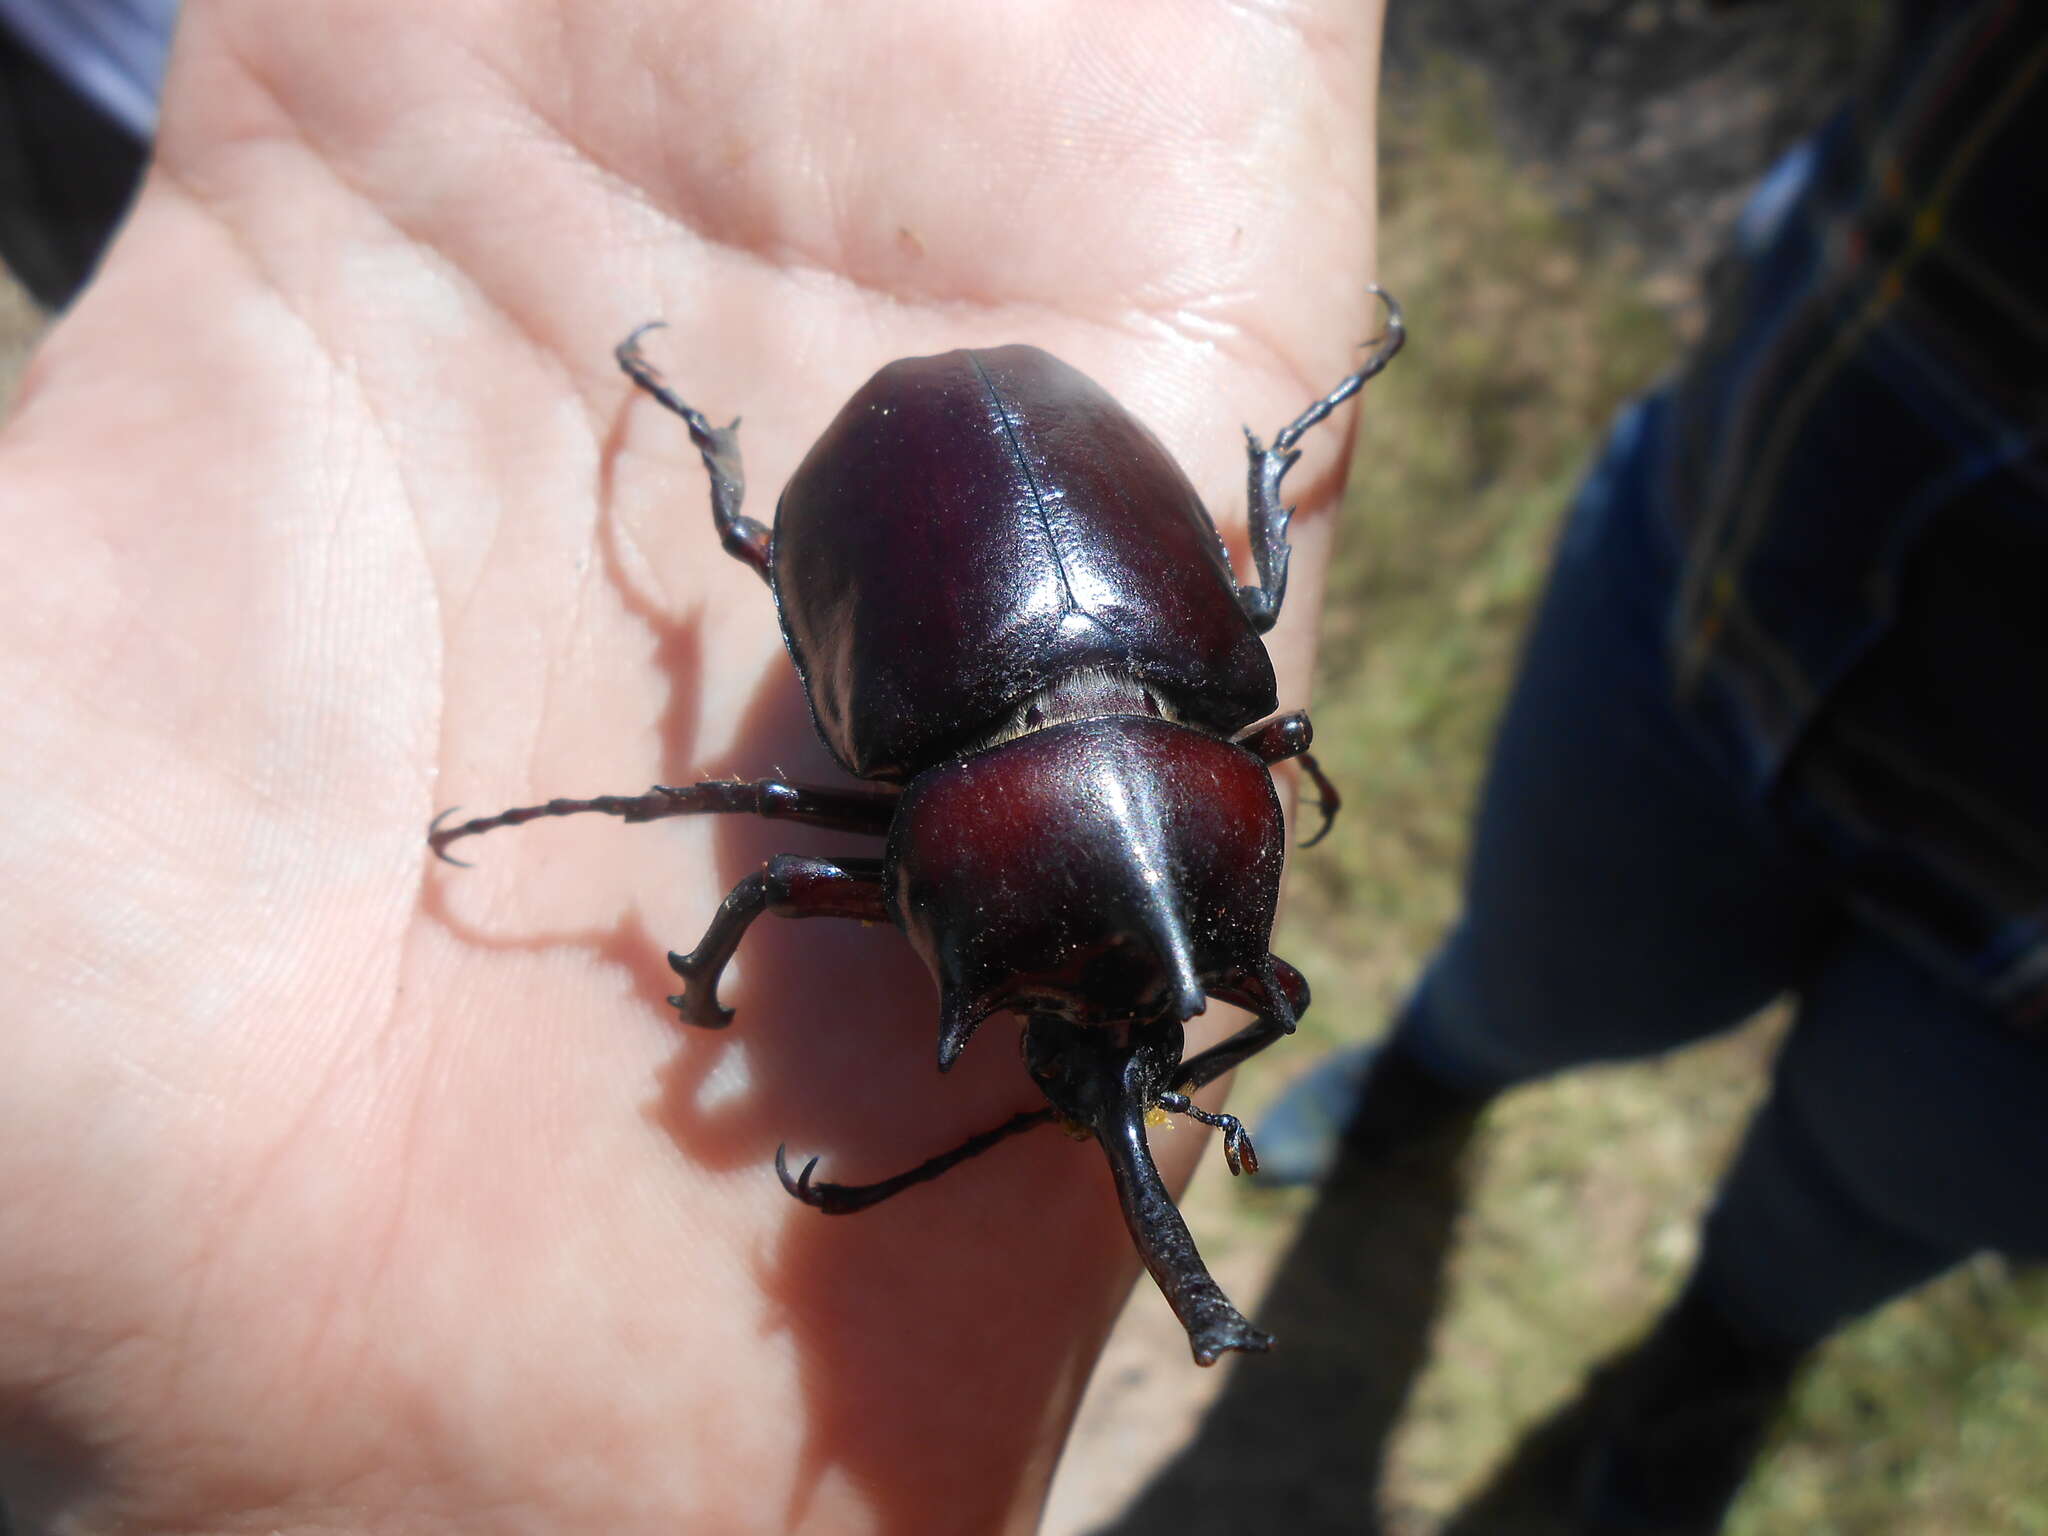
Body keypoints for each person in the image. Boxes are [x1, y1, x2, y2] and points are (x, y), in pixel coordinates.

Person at [0, 1, 1388, 1529]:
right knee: (790, 780)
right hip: (999, 512)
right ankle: (737, 470)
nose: (1127, 1062)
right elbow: (787, 874)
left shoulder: (1197, 716)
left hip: (1001, 525)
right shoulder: (1206, 715)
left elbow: (791, 883)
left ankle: (740, 468)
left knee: (809, 752)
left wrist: (720, 980)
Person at [1260, 1, 2048, 1529]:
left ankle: (1723, 1350)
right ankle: (1432, 1077)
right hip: (1760, 544)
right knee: (1541, 973)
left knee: (1864, 1204)